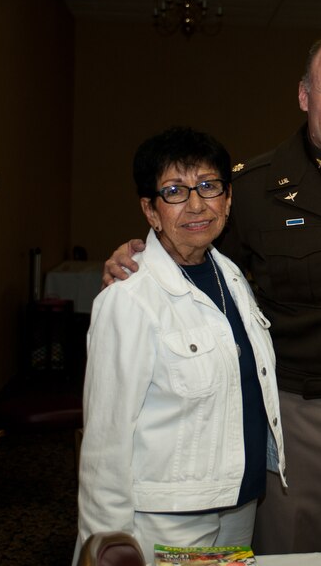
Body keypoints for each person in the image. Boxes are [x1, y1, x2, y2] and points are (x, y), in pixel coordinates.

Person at [103, 30, 321, 554]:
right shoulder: (252, 189)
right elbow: (185, 244)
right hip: (292, 420)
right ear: (304, 96)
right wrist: (135, 254)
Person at [75, 127, 286, 565]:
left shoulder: (231, 278)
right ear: (150, 211)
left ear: (227, 199)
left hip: (239, 504)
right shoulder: (129, 298)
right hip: (170, 520)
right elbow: (105, 440)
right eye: (174, 191)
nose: (196, 204)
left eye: (208, 186)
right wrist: (107, 541)